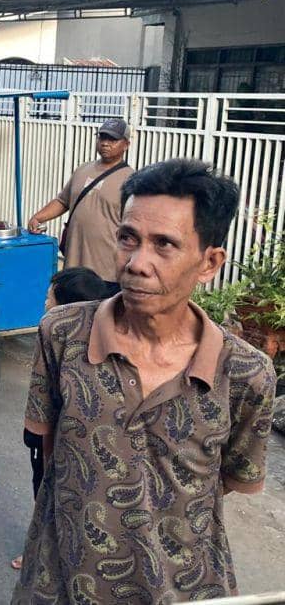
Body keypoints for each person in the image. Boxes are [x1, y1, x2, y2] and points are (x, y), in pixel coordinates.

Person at [14, 159, 277, 603]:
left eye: (164, 244)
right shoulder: (62, 334)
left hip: (182, 588)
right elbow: (52, 450)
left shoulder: (246, 374)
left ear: (210, 262)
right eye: (128, 238)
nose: (137, 263)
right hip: (59, 583)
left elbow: (227, 479)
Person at [10, 266, 119, 571]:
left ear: (67, 307)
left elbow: (43, 401)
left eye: (50, 298)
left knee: (46, 493)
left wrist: (41, 443)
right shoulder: (101, 339)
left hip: (53, 437)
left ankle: (40, 552)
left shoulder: (55, 334)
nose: (45, 303)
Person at [27, 118, 133, 282]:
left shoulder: (130, 180)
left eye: (112, 139)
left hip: (106, 272)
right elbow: (63, 201)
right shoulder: (83, 170)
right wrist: (38, 217)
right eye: (102, 137)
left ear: (126, 144)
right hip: (73, 263)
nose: (105, 143)